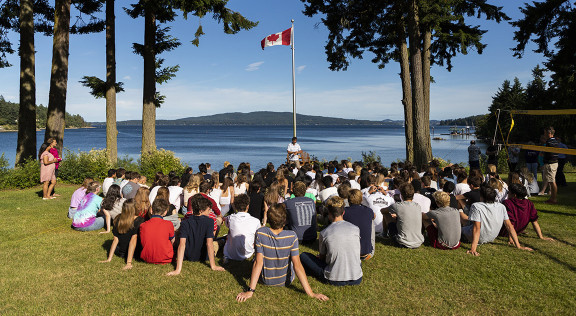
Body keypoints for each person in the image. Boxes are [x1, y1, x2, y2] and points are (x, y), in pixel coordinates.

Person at [235, 203, 328, 302]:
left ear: (269, 220)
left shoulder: (260, 233)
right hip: (286, 280)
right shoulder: (292, 236)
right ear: (285, 220)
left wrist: (250, 291)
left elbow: (258, 263)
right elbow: (297, 265)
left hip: (265, 280)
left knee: (256, 258)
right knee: (293, 260)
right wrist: (311, 293)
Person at [300, 196, 363, 286]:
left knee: (304, 256)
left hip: (334, 278)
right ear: (343, 212)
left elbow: (322, 258)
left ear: (329, 214)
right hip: (356, 278)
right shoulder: (355, 229)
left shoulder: (325, 233)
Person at [461, 185, 533, 256]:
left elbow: (477, 228)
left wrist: (473, 249)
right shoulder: (501, 206)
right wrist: (518, 246)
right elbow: (509, 226)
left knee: (459, 215)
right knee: (465, 219)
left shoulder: (476, 206)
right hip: (491, 237)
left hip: (473, 237)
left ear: (482, 196)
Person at [167, 195, 225, 275]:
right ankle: (223, 240)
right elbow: (209, 244)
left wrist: (178, 269)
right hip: (203, 256)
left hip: (187, 256)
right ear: (201, 211)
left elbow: (182, 244)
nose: (210, 212)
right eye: (208, 210)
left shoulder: (185, 222)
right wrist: (213, 265)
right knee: (217, 243)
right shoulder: (209, 222)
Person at [99, 199, 145, 270]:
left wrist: (109, 258)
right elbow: (133, 241)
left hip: (121, 252)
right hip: (135, 253)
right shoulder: (140, 220)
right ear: (135, 208)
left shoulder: (118, 219)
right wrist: (129, 263)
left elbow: (115, 240)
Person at [381, 183, 424, 249]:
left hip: (403, 243)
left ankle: (384, 234)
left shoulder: (397, 206)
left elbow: (382, 211)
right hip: (418, 242)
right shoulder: (418, 206)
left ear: (401, 195)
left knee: (387, 214)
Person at [222, 194, 261, 262]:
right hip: (248, 253)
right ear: (247, 206)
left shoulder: (230, 218)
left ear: (236, 207)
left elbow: (227, 224)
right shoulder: (256, 221)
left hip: (231, 253)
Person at [139, 199, 175, 264]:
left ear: (151, 210)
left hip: (147, 258)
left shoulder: (143, 225)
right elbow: (172, 240)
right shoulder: (169, 224)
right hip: (166, 258)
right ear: (165, 212)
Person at [344, 189, 375, 260]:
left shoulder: (344, 211)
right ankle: (367, 247)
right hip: (365, 252)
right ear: (361, 199)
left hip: (349, 252)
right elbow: (374, 216)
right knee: (370, 218)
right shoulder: (368, 210)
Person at [538, 127, 559, 204]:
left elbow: (549, 153)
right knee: (551, 181)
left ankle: (553, 199)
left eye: (545, 133)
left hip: (550, 164)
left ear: (549, 133)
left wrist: (543, 153)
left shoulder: (550, 142)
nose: (544, 135)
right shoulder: (554, 141)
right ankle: (552, 198)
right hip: (552, 163)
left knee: (552, 181)